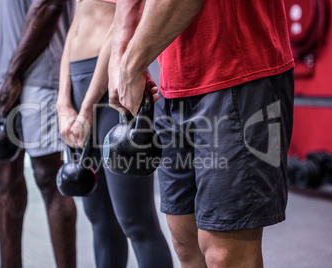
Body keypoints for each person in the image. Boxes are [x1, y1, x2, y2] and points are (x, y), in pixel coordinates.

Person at [108, 0, 295, 267]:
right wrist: (120, 58)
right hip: (171, 85)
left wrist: (130, 66)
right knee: (186, 244)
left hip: (236, 69)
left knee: (225, 256)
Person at [56, 0, 173, 267]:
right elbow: (74, 26)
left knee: (136, 220)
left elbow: (122, 25)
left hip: (113, 86)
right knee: (100, 219)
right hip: (78, 84)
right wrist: (63, 101)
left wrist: (87, 105)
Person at [0, 0, 76, 267]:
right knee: (3, 177)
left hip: (41, 74)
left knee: (51, 179)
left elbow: (50, 6)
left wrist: (12, 75)